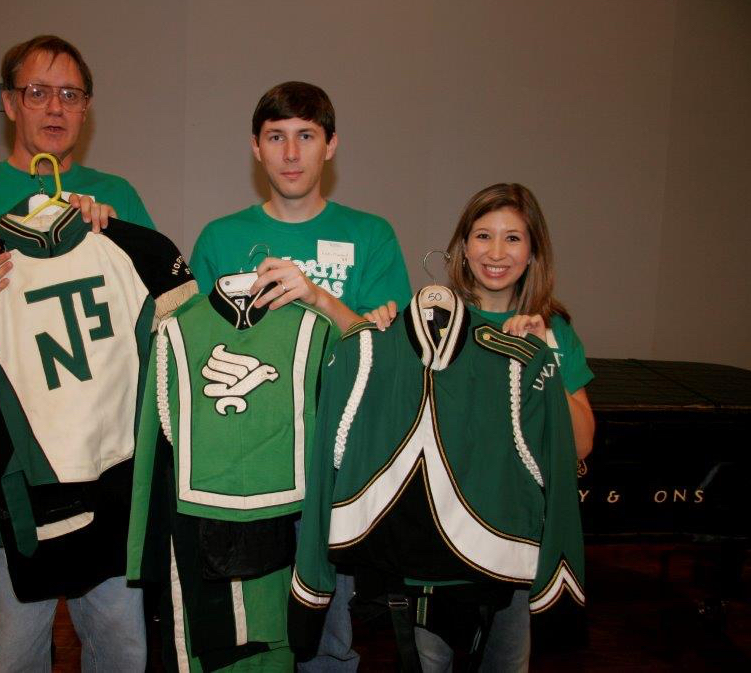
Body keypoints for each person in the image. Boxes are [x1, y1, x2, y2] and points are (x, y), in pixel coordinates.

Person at [0, 35, 150, 671]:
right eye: (37, 92)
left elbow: (159, 322)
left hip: (104, 466)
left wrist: (114, 235)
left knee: (122, 647)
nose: (54, 108)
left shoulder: (113, 196)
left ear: (87, 108)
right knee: (15, 653)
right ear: (10, 104)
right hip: (3, 467)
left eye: (70, 94)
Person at [189, 81, 413, 672]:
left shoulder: (372, 236)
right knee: (253, 630)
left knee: (326, 633)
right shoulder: (219, 238)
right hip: (247, 465)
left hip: (335, 466)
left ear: (331, 145)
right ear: (256, 148)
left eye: (306, 136)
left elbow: (391, 364)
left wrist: (317, 297)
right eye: (277, 137)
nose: (291, 153)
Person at [413, 182, 595, 672]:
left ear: (534, 249)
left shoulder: (554, 328)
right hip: (438, 538)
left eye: (513, 238)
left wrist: (547, 356)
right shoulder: (432, 321)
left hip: (516, 543)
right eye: (482, 236)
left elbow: (581, 442)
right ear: (463, 246)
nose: (496, 253)